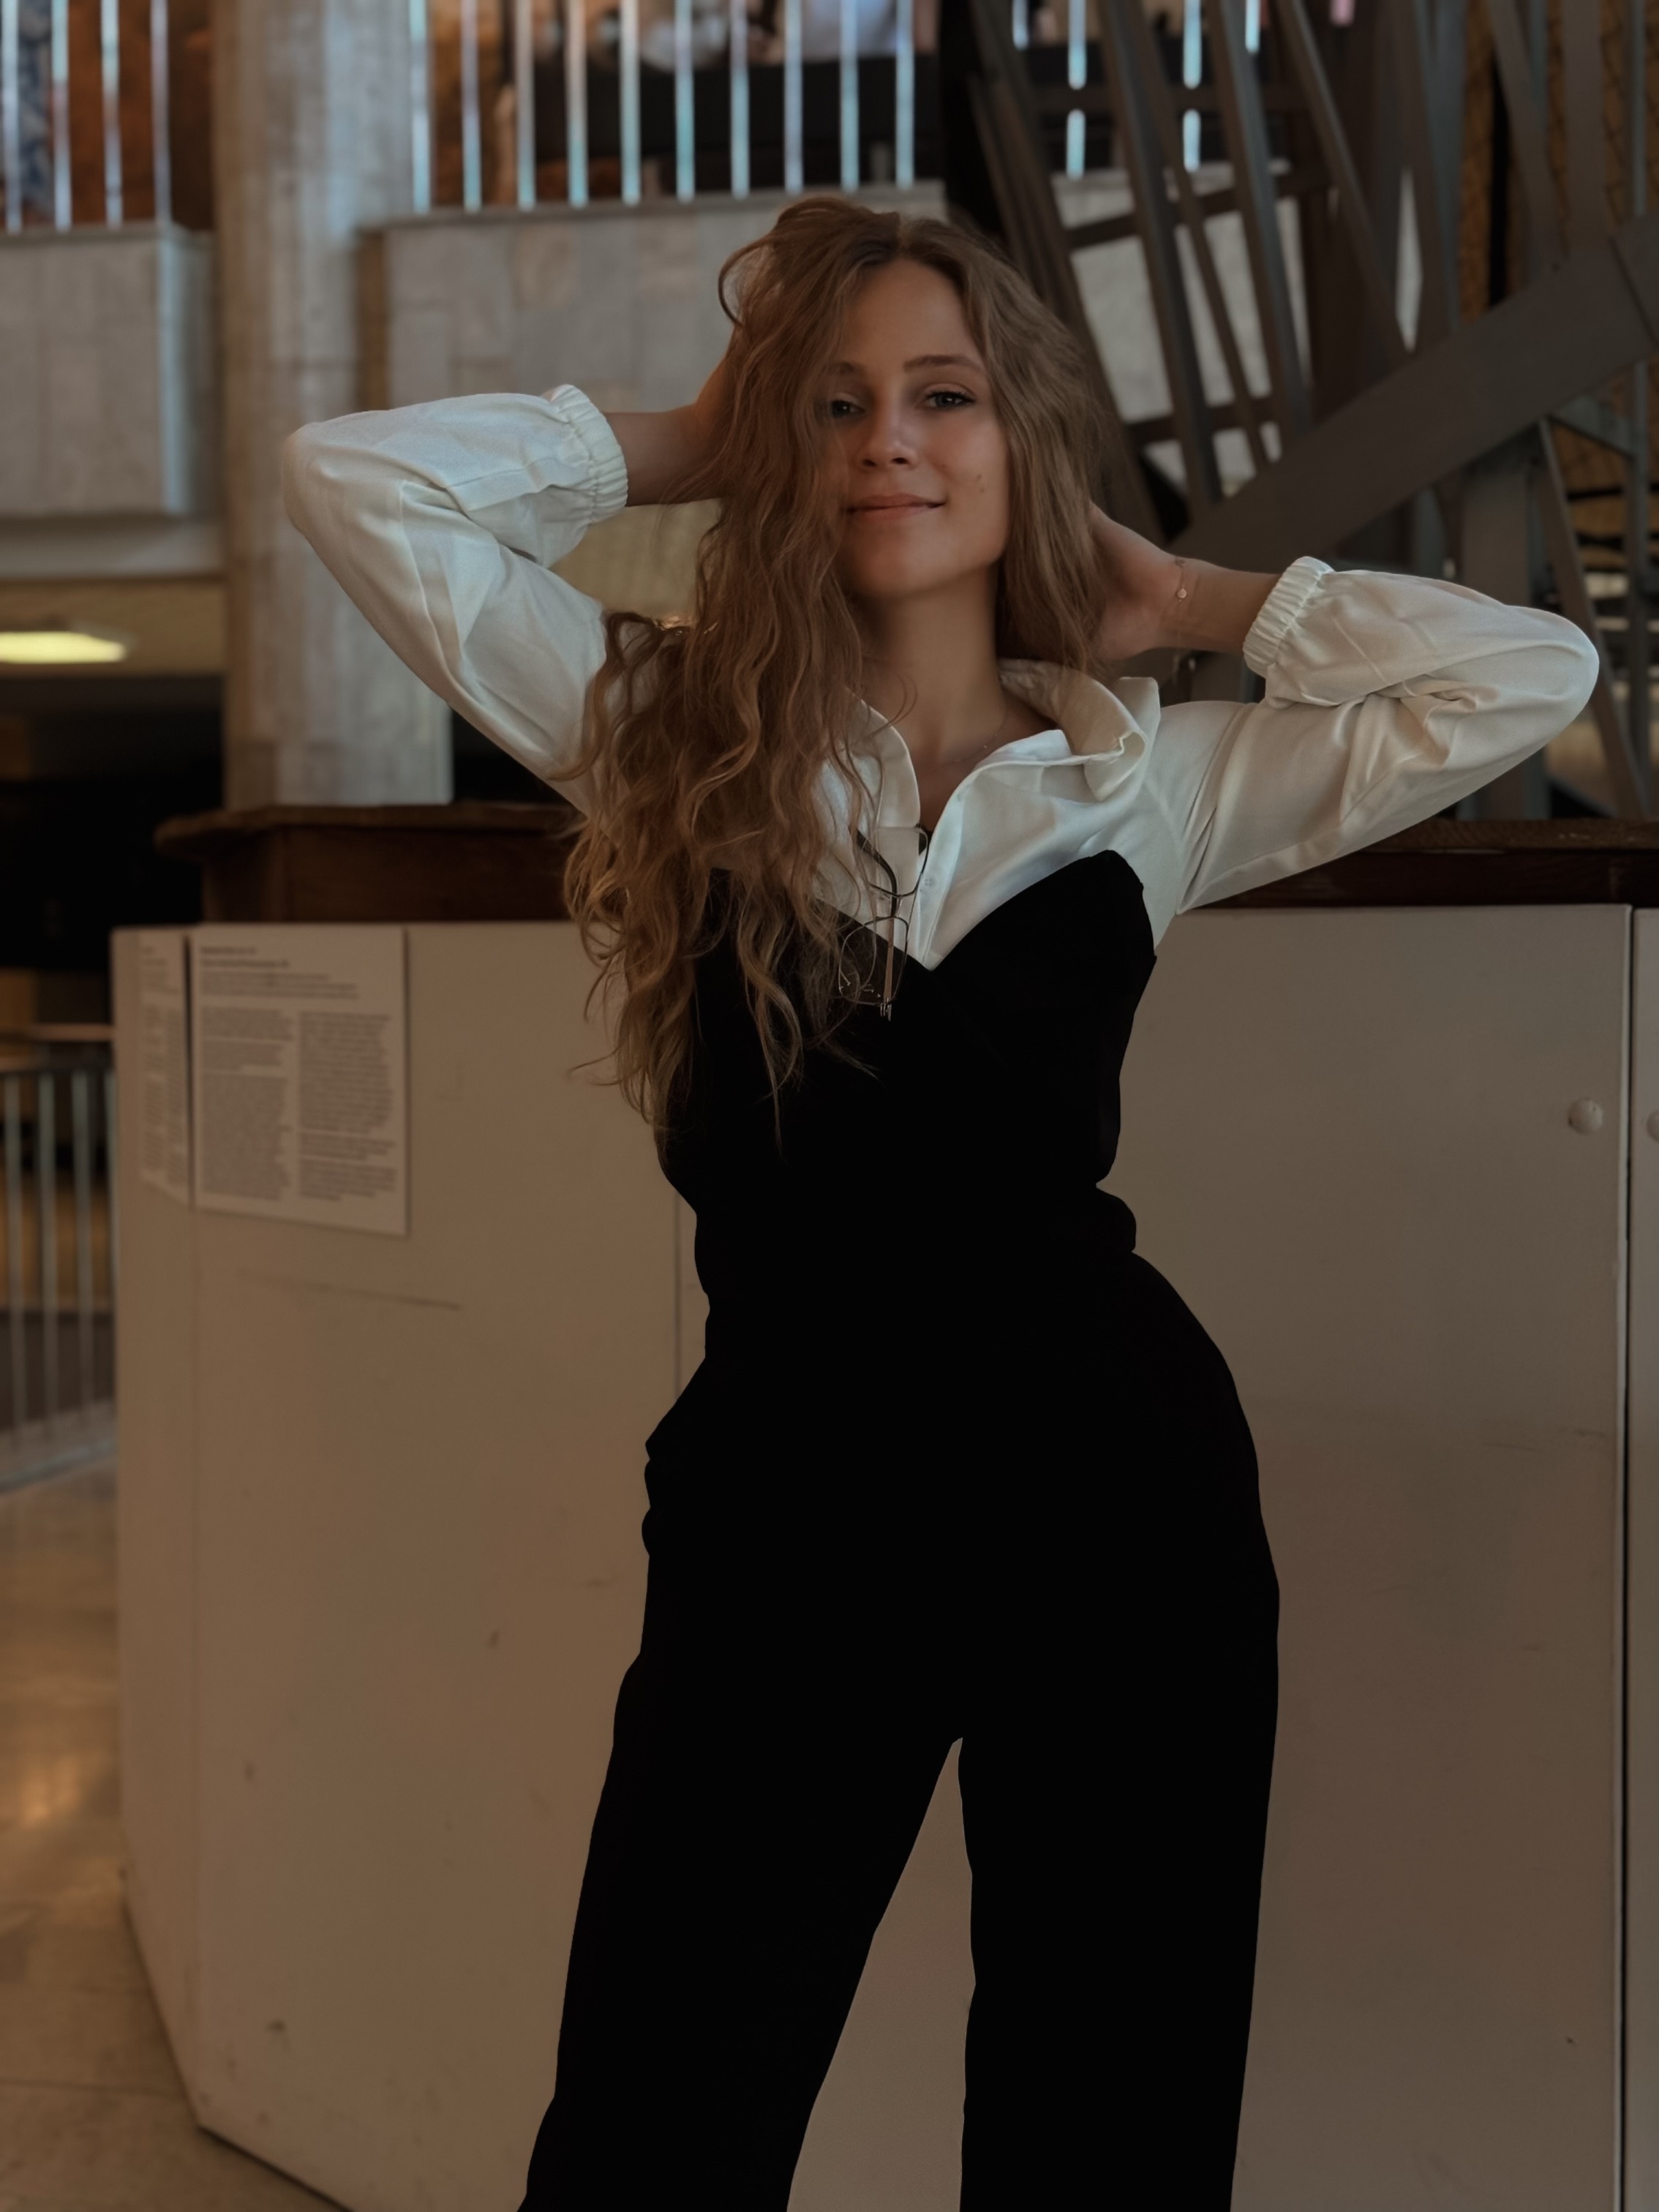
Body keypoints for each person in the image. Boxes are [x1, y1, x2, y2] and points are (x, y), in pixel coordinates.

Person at [282, 197, 1598, 2208]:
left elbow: (1524, 672)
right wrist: (690, 436)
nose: (889, 438)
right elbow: (354, 485)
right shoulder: (669, 742)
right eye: (837, 405)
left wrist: (1193, 598)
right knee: (655, 2123)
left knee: (1108, 2126)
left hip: (1117, 1489)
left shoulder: (1147, 782)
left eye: (944, 397)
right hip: (788, 1499)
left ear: (1022, 440)